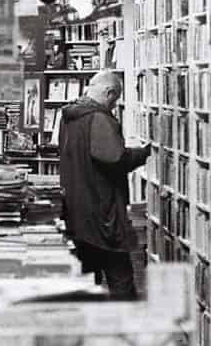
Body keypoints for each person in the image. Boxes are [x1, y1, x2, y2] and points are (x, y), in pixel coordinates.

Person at [58, 70, 151, 300]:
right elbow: (114, 158)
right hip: (103, 213)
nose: (113, 105)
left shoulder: (70, 116)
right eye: (115, 99)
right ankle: (127, 328)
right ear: (108, 92)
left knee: (88, 278)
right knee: (121, 277)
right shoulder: (98, 118)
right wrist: (142, 154)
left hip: (78, 211)